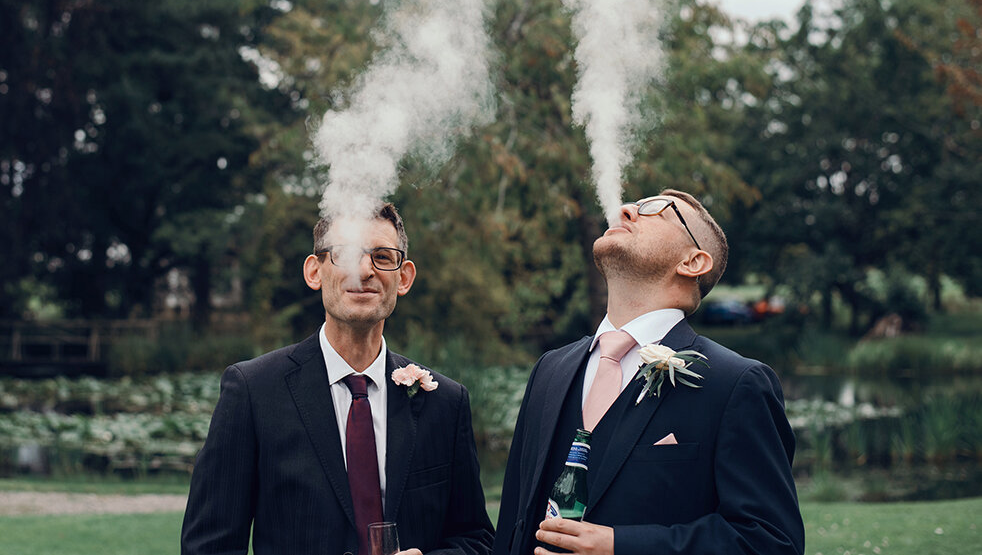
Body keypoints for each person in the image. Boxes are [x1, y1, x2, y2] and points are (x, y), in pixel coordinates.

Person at [493, 190, 804, 555]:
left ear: (693, 262)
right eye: (632, 204)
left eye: (654, 210)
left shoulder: (736, 383)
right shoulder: (550, 369)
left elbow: (770, 541)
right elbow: (513, 520)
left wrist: (618, 546)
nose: (624, 210)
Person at [181, 202, 494, 555]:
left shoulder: (445, 402)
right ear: (314, 272)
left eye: (382, 256)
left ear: (403, 277)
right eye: (344, 254)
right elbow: (209, 546)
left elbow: (477, 540)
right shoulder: (253, 392)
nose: (363, 271)